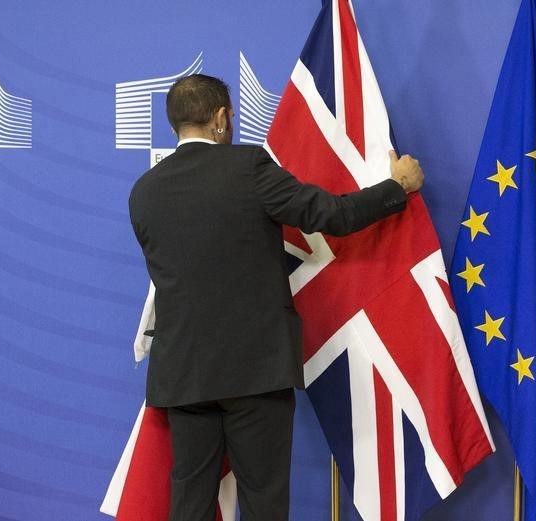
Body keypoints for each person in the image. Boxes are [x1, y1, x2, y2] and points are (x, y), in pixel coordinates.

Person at [128, 73, 423, 521]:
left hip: (183, 375)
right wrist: (396, 187)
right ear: (222, 119)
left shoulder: (143, 193)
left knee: (189, 505)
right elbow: (332, 215)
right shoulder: (248, 167)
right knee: (264, 502)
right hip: (256, 372)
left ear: (175, 127)